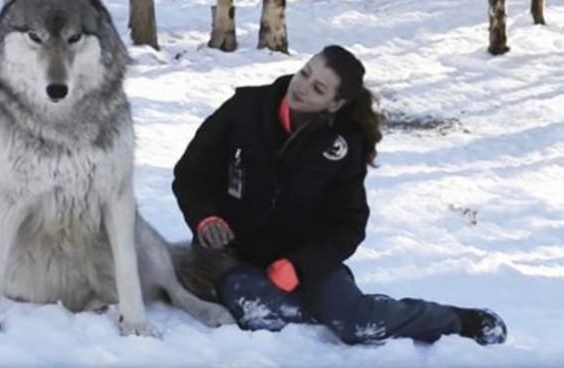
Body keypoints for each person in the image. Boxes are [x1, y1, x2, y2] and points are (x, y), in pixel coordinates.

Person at [171, 45, 507, 346]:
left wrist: (301, 267)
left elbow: (349, 224)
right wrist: (206, 217)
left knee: (356, 322)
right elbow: (190, 174)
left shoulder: (343, 145)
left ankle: (457, 321)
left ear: (335, 103)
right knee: (261, 314)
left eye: (317, 88)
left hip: (308, 262)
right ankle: (325, 314)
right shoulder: (244, 109)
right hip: (234, 259)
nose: (301, 87)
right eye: (304, 73)